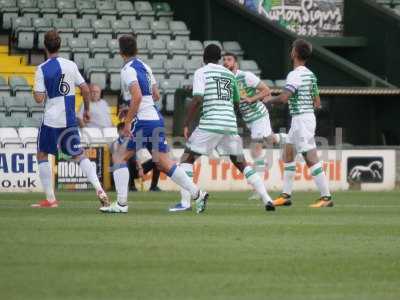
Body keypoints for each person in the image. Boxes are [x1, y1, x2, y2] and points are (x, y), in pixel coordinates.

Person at [100, 34, 208, 214]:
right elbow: (155, 95)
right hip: (155, 119)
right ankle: (198, 193)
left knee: (119, 157)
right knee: (164, 163)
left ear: (120, 52)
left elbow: (137, 96)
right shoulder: (145, 67)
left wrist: (127, 121)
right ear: (136, 49)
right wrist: (131, 109)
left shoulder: (128, 69)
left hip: (143, 121)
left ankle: (121, 204)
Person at [169, 44, 275, 213]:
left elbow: (197, 99)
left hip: (211, 122)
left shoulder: (201, 72)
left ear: (204, 57)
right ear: (219, 59)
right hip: (229, 124)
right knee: (241, 163)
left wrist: (186, 123)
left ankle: (186, 202)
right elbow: (235, 101)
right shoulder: (228, 74)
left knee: (186, 159)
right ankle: (267, 198)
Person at [32, 30, 109, 208]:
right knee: (79, 154)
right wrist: (87, 110)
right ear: (60, 45)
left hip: (51, 120)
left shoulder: (42, 69)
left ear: (45, 46)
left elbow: (39, 99)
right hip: (69, 119)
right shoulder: (71, 65)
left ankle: (51, 199)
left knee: (42, 154)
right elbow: (85, 88)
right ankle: (100, 190)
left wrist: (35, 89)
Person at [264, 39, 333, 208]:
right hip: (301, 118)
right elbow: (317, 102)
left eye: (292, 49)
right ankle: (286, 195)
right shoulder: (310, 74)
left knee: (310, 157)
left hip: (302, 119)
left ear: (294, 53)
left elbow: (284, 98)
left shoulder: (295, 74)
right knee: (288, 154)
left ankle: (326, 197)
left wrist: (268, 100)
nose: (291, 51)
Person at [223, 52, 285, 200]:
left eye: (229, 59)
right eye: (224, 60)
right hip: (249, 119)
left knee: (255, 151)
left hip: (259, 115)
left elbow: (266, 91)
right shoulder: (225, 79)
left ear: (235, 63)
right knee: (270, 139)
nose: (225, 62)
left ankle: (259, 189)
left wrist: (251, 99)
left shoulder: (246, 76)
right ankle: (289, 138)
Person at [111, 122, 161, 192]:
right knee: (127, 159)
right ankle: (131, 186)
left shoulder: (132, 141)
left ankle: (153, 186)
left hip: (136, 168)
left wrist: (140, 169)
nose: (125, 132)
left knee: (156, 160)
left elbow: (136, 156)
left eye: (125, 130)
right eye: (122, 130)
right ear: (118, 132)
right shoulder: (115, 143)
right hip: (122, 169)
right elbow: (115, 160)